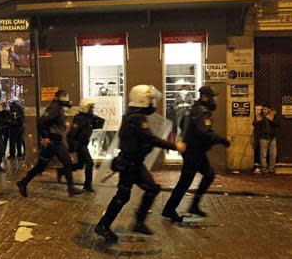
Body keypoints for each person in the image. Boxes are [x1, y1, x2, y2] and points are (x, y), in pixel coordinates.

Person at [95, 85, 185, 242]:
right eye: (150, 100)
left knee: (152, 189)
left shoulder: (134, 117)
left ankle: (139, 222)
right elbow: (150, 138)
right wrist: (174, 146)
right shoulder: (136, 119)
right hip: (129, 164)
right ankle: (103, 225)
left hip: (135, 163)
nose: (152, 103)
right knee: (123, 196)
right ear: (142, 100)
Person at [162, 86, 231, 222]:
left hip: (197, 151)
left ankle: (194, 205)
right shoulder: (201, 111)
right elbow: (204, 133)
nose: (215, 100)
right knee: (185, 181)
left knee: (209, 175)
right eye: (213, 97)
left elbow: (183, 125)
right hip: (193, 152)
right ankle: (169, 209)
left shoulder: (196, 109)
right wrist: (222, 140)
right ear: (205, 97)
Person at [16, 90, 85, 197]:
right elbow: (41, 122)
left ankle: (23, 182)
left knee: (42, 166)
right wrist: (44, 137)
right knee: (65, 162)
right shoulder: (54, 108)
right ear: (59, 97)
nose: (66, 99)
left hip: (55, 141)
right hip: (53, 141)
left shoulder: (58, 106)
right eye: (65, 97)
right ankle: (70, 188)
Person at [59, 98, 104, 192]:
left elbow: (96, 124)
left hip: (83, 144)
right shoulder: (80, 118)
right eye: (90, 107)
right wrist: (73, 149)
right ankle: (87, 185)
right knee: (89, 163)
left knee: (80, 165)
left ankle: (62, 171)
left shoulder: (88, 117)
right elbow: (71, 135)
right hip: (80, 144)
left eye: (92, 107)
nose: (92, 109)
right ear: (85, 107)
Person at [252, 104, 279, 174]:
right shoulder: (260, 117)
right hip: (263, 138)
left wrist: (271, 119)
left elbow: (277, 124)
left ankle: (272, 169)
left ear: (269, 110)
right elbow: (254, 124)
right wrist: (258, 120)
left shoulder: (273, 116)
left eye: (265, 109)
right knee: (263, 155)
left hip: (272, 138)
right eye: (263, 109)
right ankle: (264, 169)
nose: (264, 111)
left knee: (273, 154)